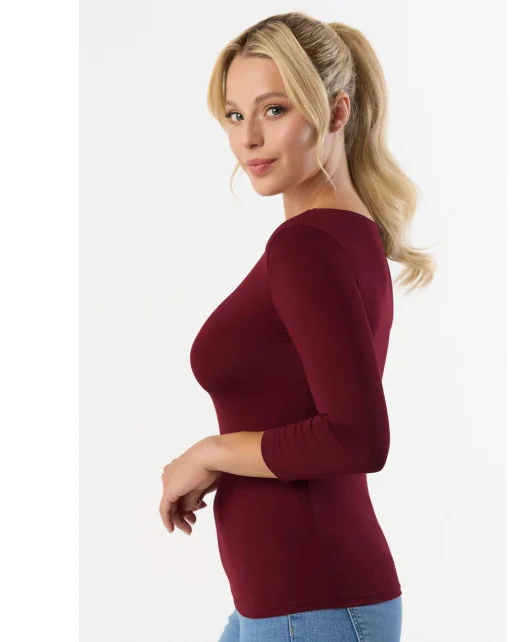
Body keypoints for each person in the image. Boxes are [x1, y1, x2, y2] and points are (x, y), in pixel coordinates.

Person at [158, 11, 435, 641]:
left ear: (336, 112)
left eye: (274, 110)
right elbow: (304, 413)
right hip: (287, 604)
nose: (249, 138)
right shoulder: (345, 235)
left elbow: (356, 437)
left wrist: (210, 453)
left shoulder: (306, 246)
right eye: (235, 115)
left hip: (312, 608)